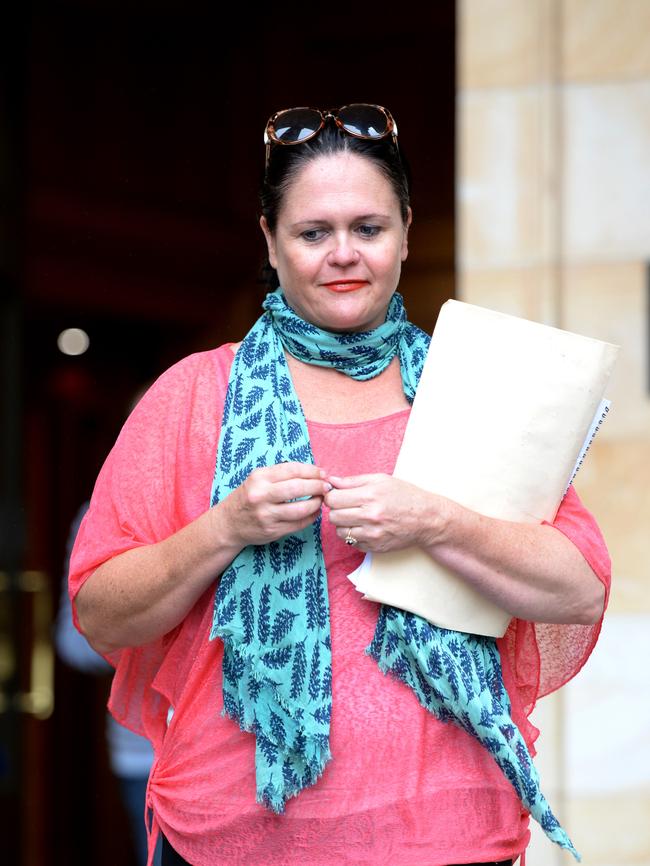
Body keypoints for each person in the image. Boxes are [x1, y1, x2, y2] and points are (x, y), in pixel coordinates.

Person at [68, 104, 610, 866]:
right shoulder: (194, 396)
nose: (343, 255)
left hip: (449, 834)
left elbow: (581, 589)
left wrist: (437, 522)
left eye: (369, 227)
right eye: (313, 232)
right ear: (270, 239)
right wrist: (224, 529)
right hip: (238, 836)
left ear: (407, 230)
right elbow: (99, 614)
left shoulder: (470, 389)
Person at [56, 500, 162, 866]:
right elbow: (74, 644)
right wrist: (141, 626)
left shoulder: (251, 501)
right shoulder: (100, 511)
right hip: (144, 755)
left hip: (240, 750)